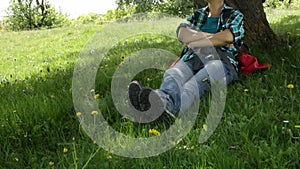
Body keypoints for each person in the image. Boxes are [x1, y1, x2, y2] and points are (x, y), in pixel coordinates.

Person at [128, 0, 244, 118]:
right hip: (193, 57)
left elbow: (229, 36)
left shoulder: (234, 15)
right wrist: (215, 38)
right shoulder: (197, 15)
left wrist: (196, 41)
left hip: (220, 61)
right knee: (173, 74)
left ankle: (163, 109)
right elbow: (182, 34)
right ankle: (158, 104)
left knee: (193, 85)